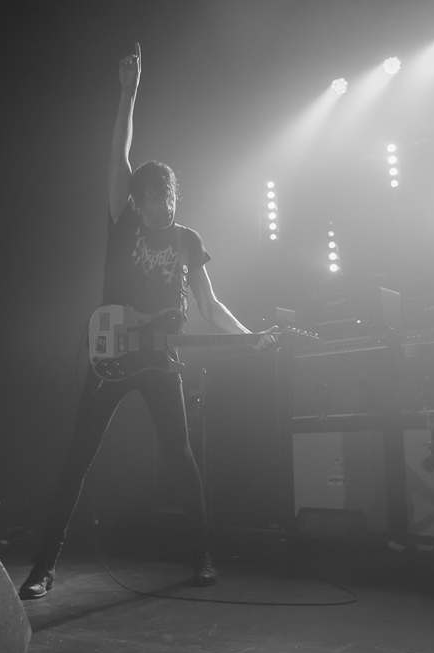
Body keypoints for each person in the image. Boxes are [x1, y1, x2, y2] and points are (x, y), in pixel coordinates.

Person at [19, 43, 276, 600]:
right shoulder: (124, 222)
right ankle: (42, 567)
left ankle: (202, 556)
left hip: (161, 359)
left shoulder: (187, 240)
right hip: (110, 356)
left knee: (182, 459)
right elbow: (118, 158)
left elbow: (209, 305)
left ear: (175, 198)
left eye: (166, 198)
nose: (160, 206)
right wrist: (128, 94)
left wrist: (248, 338)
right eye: (151, 198)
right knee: (77, 459)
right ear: (138, 200)